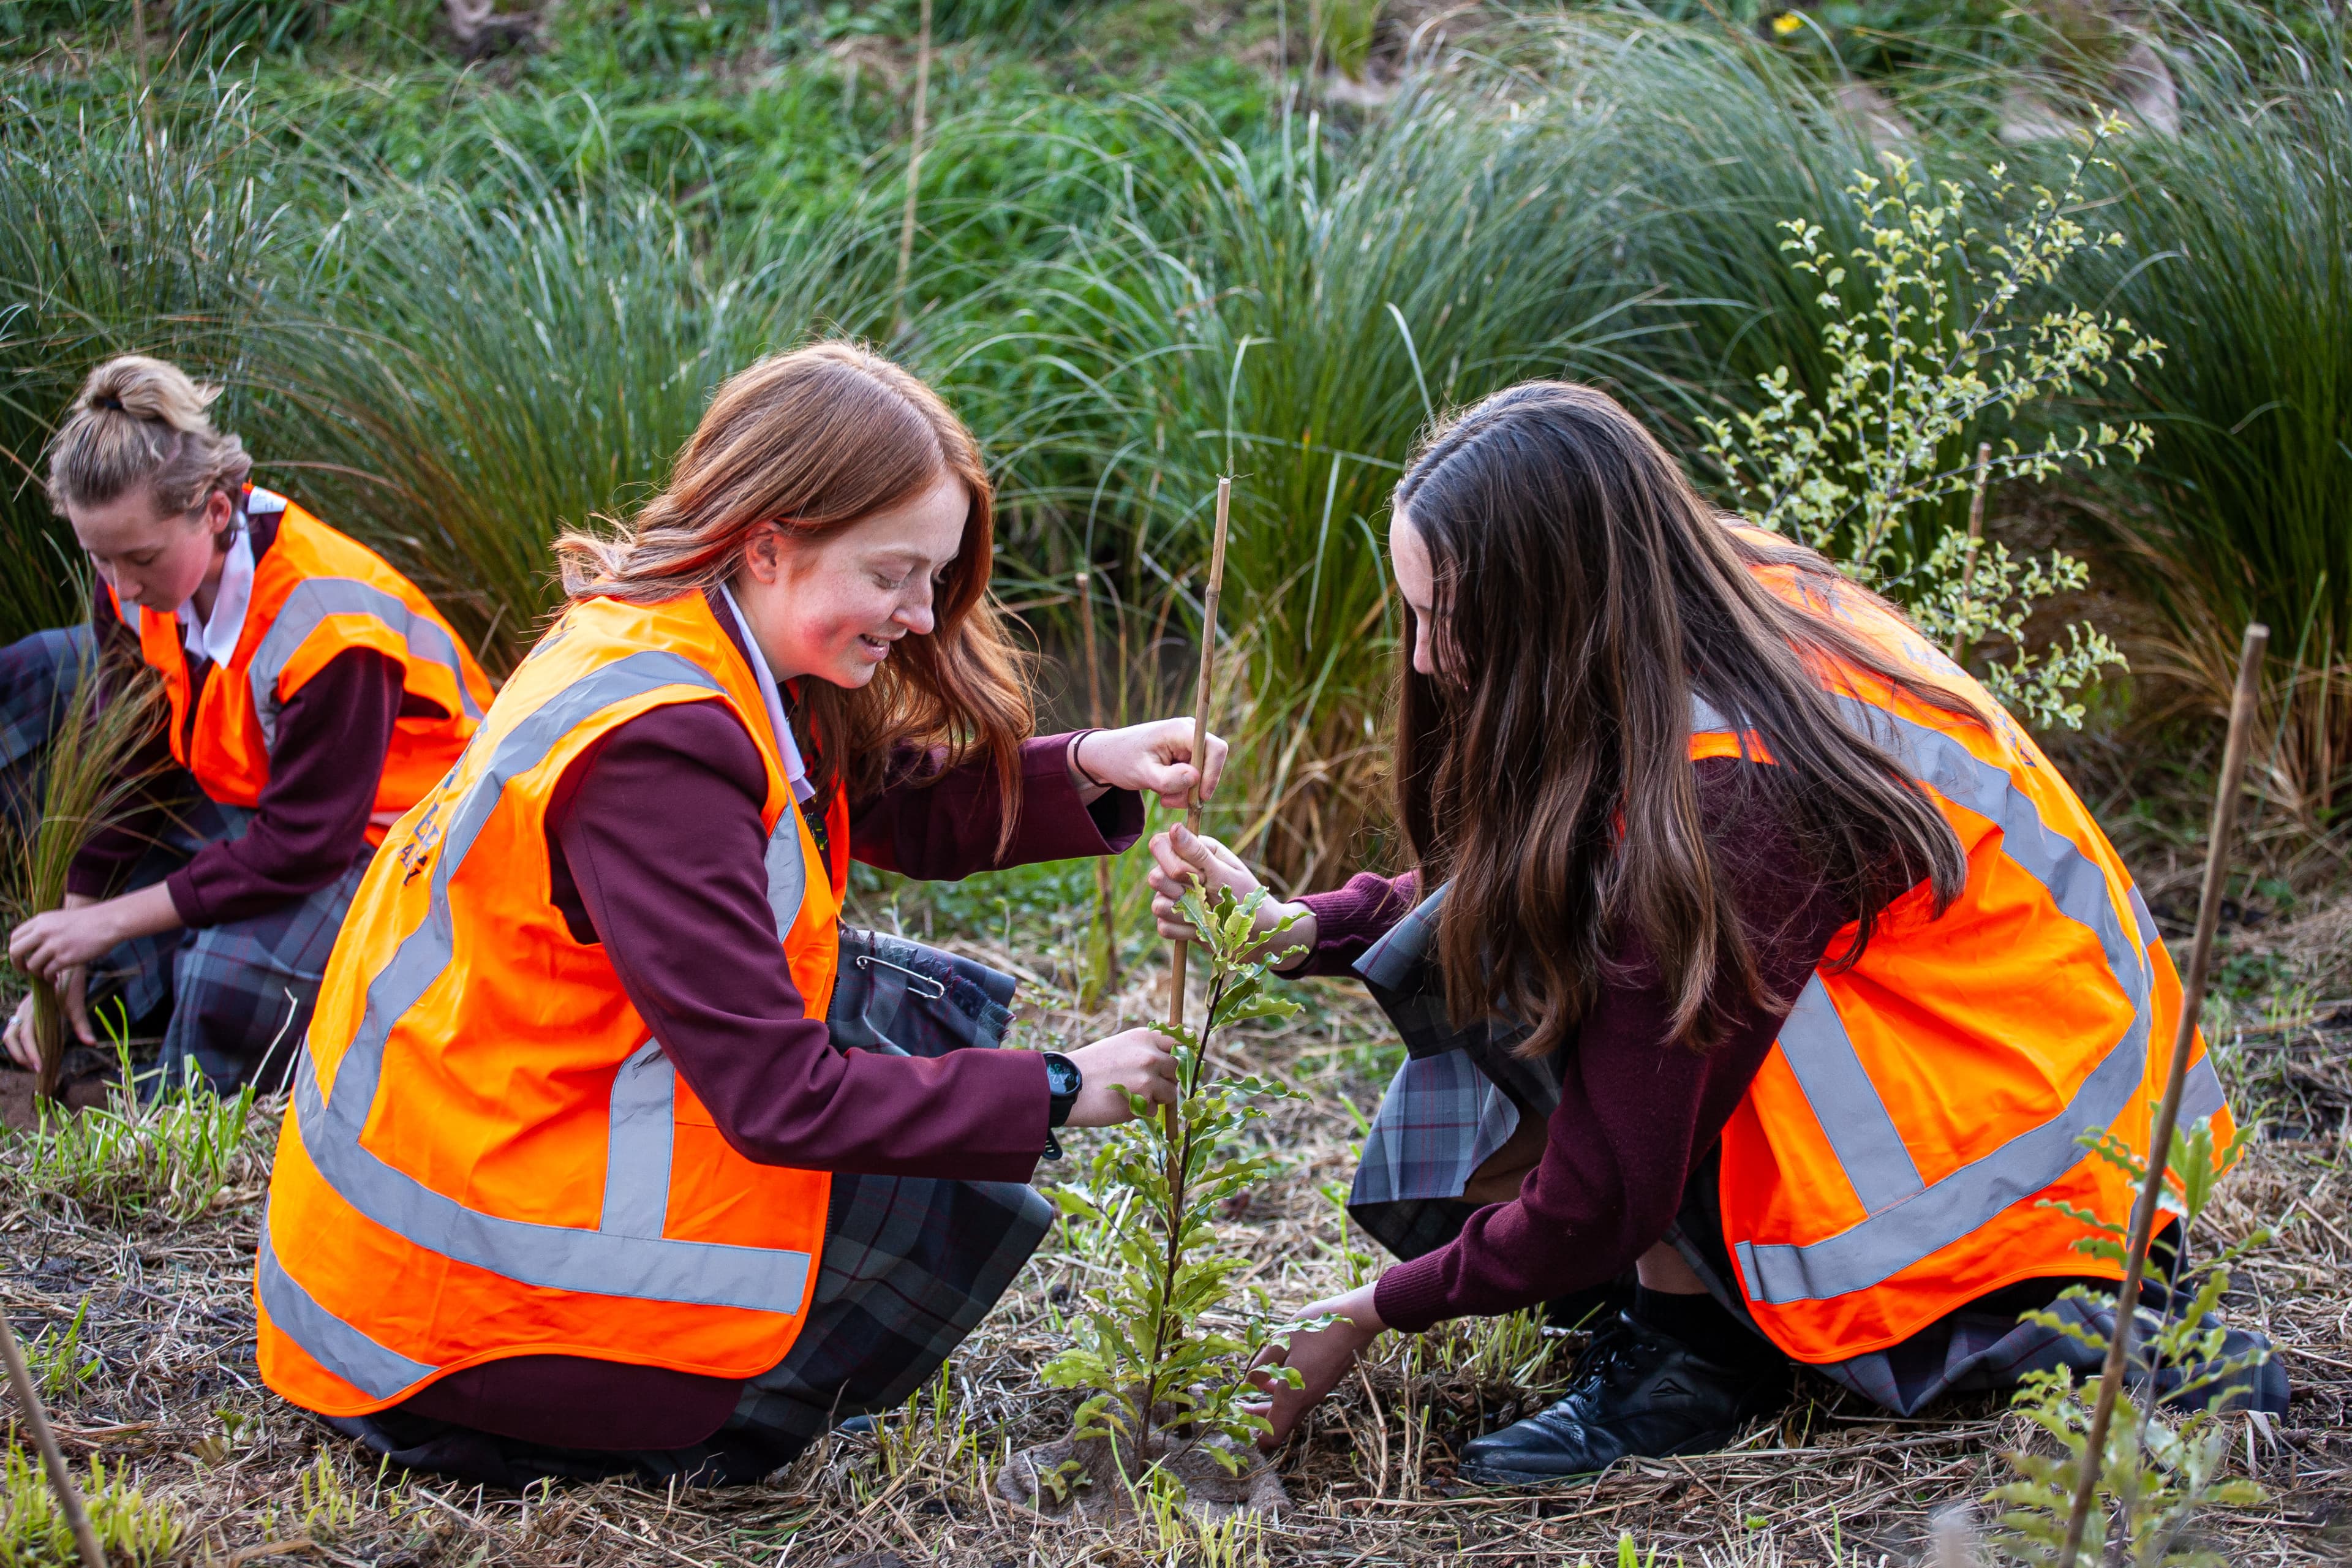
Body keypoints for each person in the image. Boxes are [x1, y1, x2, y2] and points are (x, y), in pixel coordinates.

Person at [1141, 381, 2285, 1485]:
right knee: (1569, 938)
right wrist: (1300, 928)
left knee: (1593, 972)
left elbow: (1599, 1197)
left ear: (1553, 600)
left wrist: (1362, 1314)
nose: (1429, 657)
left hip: (2016, 1158)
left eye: (1445, 619)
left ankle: (1700, 1355)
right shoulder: (1686, 590)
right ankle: (1702, 1317)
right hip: (1987, 1063)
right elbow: (1526, 863)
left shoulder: (1734, 808)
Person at [255, 342, 1215, 1490]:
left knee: (894, 1032)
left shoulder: (679, 634)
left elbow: (868, 804)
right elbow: (777, 1098)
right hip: (457, 1324)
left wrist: (1092, 767)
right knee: (927, 1161)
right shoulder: (660, 745)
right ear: (769, 541)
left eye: (935, 577)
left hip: (435, 1227)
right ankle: (642, 1397)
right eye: (894, 574)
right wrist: (1061, 1086)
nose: (918, 613)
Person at [4, 356, 493, 1093]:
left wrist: (109, 923)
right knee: (32, 676)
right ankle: (106, 991)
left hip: (401, 844)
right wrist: (76, 919)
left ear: (216, 511)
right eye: (98, 558)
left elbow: (303, 844)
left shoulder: (331, 627)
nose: (122, 587)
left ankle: (171, 1091)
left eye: (140, 558)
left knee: (226, 982)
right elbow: (127, 750)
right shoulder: (132, 579)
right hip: (256, 794)